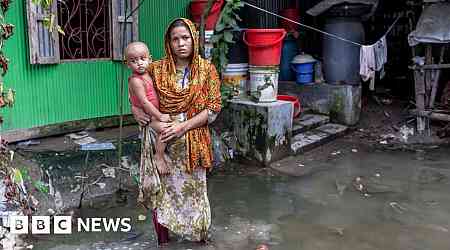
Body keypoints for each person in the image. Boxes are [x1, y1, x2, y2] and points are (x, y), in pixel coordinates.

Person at [131, 18, 221, 245]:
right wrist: (135, 111)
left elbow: (213, 109)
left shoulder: (207, 70)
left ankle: (199, 241)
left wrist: (183, 126)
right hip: (162, 146)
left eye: (185, 38)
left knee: (195, 196)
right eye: (175, 39)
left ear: (194, 39)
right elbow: (137, 89)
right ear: (168, 43)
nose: (181, 43)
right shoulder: (155, 69)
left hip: (193, 144)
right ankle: (164, 243)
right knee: (163, 196)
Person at [126, 42, 172, 175]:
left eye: (142, 59)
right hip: (150, 117)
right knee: (166, 129)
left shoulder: (150, 73)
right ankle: (159, 155)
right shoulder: (136, 81)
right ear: (128, 65)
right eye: (134, 61)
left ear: (150, 59)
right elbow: (144, 102)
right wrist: (160, 116)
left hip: (155, 114)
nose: (139, 63)